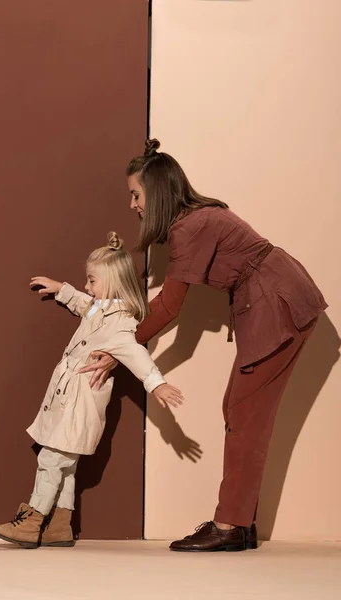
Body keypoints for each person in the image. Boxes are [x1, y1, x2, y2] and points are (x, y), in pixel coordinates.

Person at [79, 139, 327, 553]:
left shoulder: (190, 227)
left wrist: (121, 347)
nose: (132, 205)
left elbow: (170, 305)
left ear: (156, 193)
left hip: (275, 302)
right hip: (274, 298)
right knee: (240, 409)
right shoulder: (194, 222)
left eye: (136, 194)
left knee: (246, 415)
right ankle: (240, 521)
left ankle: (229, 525)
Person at [0, 232, 183, 549]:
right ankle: (60, 526)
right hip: (67, 399)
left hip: (80, 404)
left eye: (92, 281)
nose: (89, 288)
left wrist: (156, 384)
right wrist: (62, 289)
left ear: (112, 283)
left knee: (51, 460)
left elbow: (137, 356)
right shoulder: (99, 310)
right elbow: (85, 304)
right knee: (66, 466)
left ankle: (33, 520)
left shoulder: (121, 323)